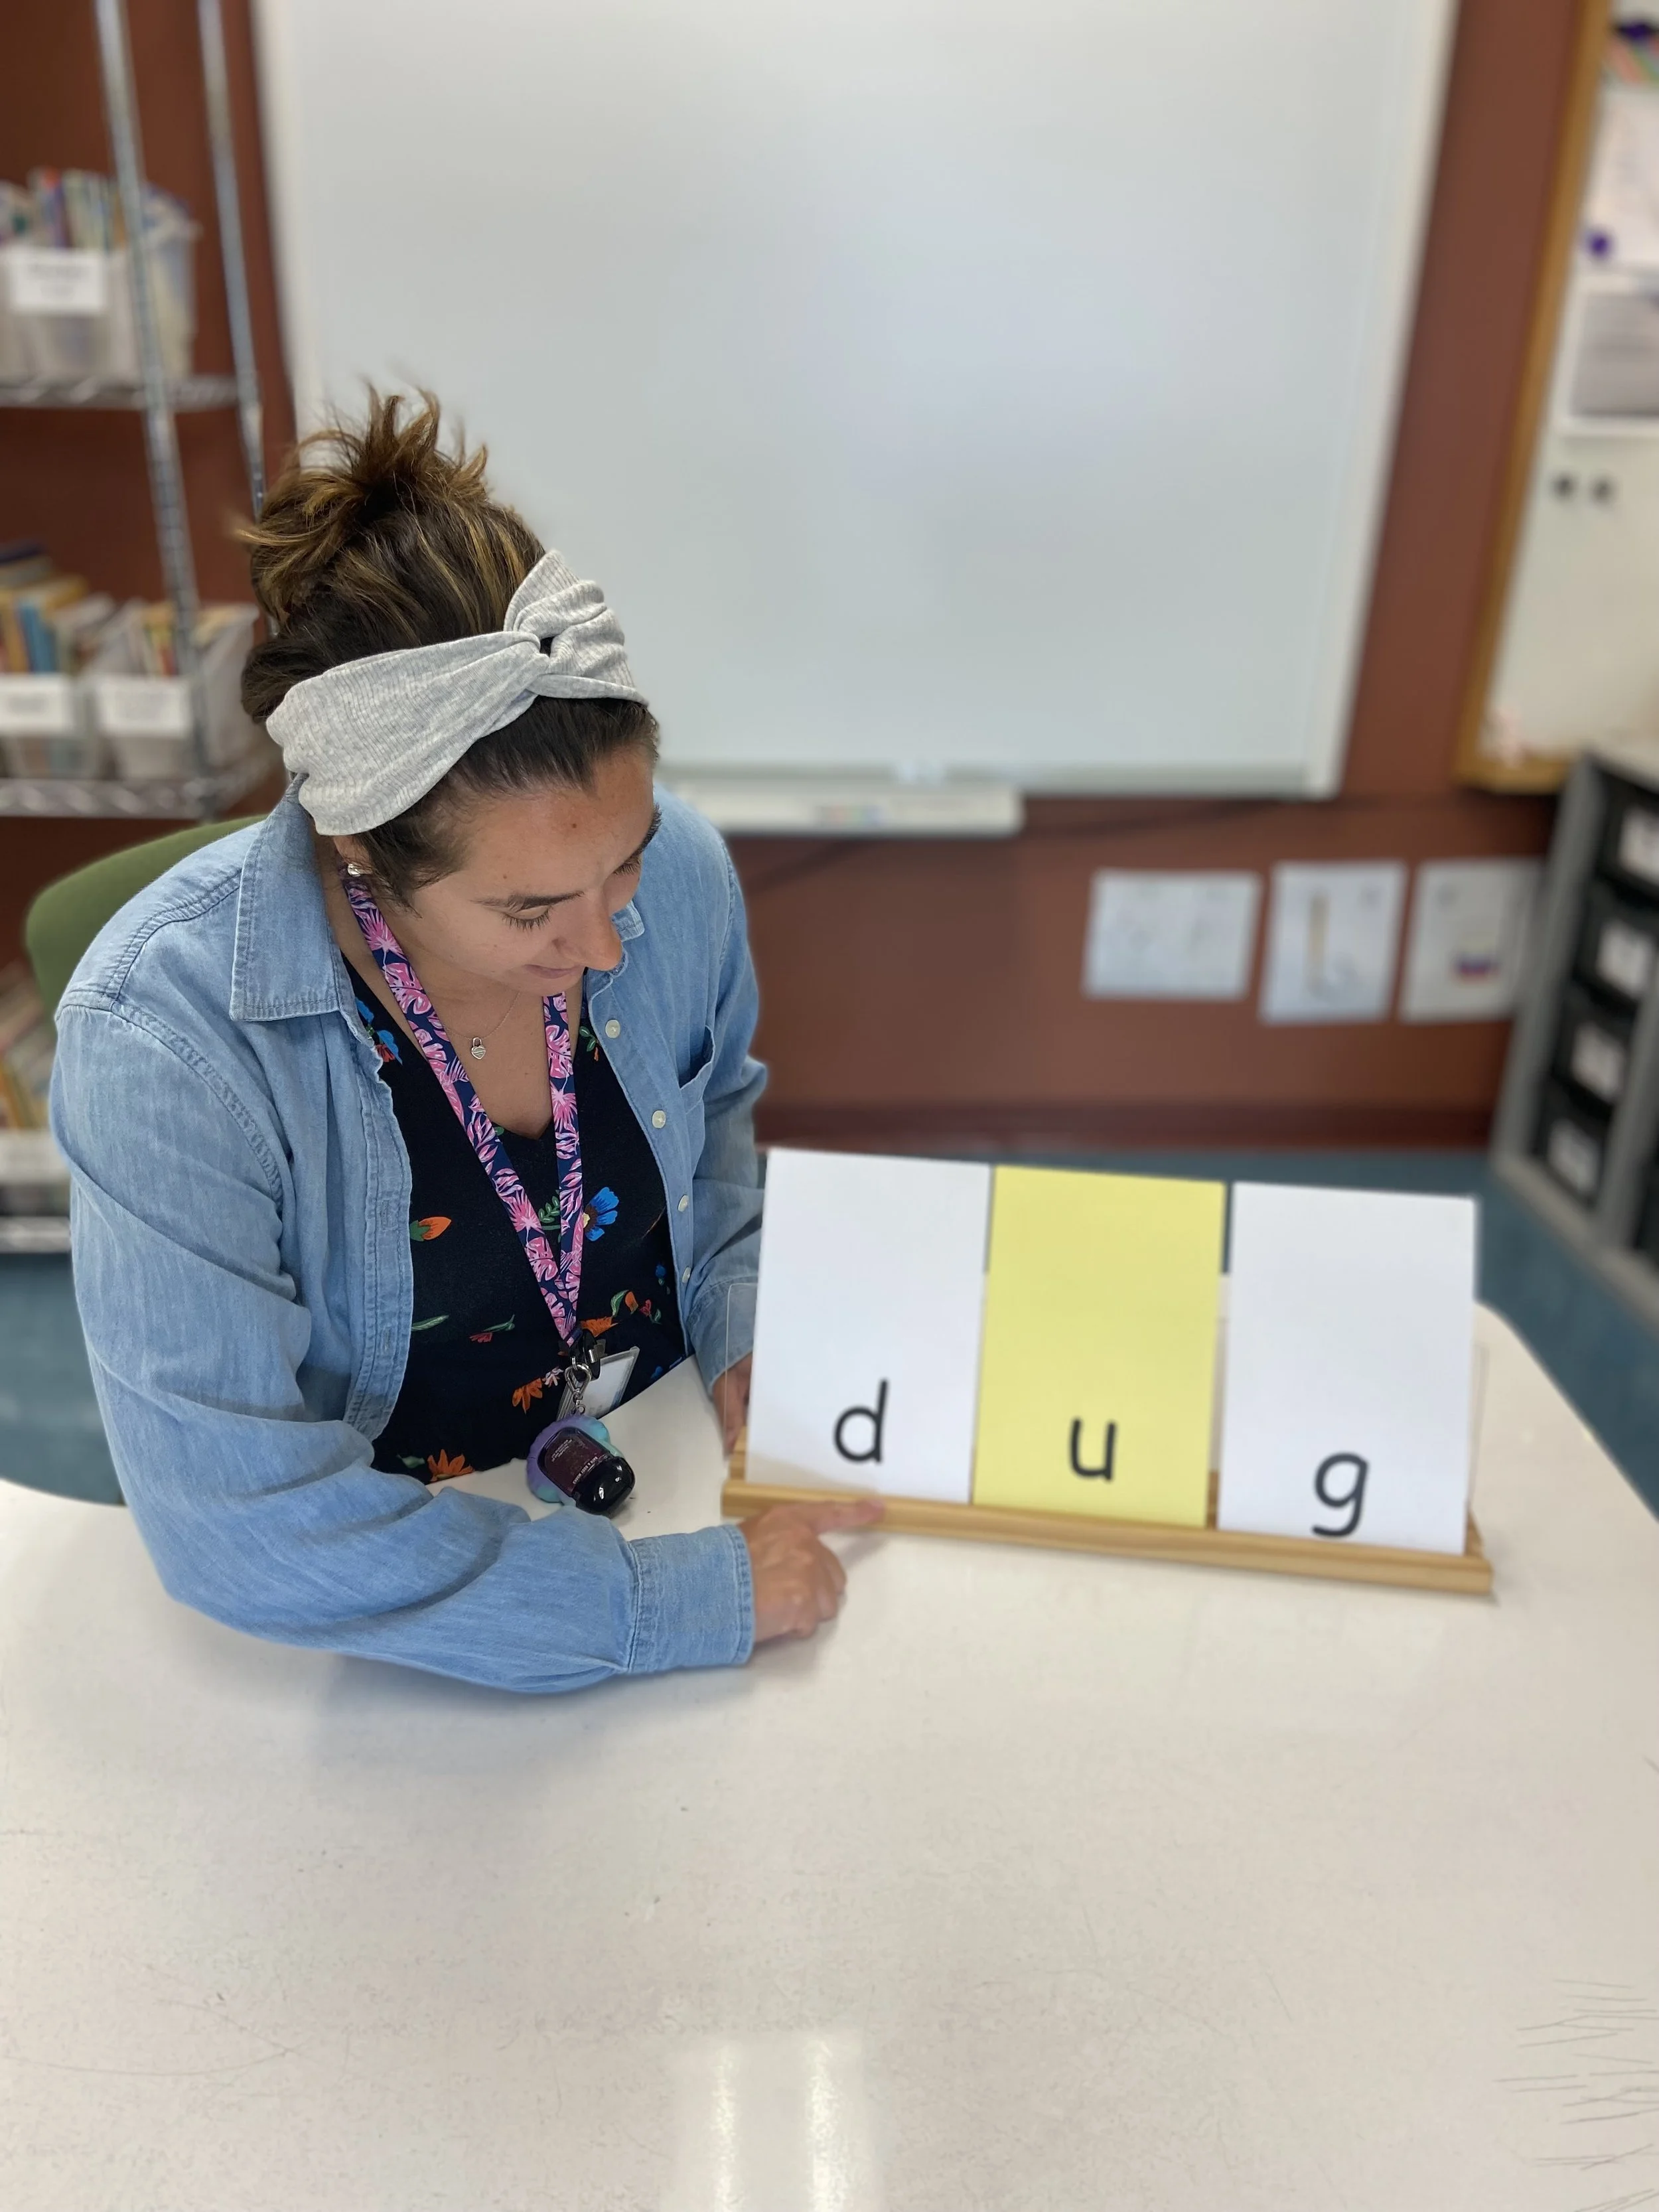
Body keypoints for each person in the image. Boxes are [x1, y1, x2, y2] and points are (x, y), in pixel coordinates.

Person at [50, 393, 879, 1692]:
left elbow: (715, 1128)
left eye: (625, 863)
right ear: (360, 852)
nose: (606, 944)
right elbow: (242, 1529)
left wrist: (745, 1324)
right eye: (528, 910)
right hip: (418, 1572)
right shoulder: (163, 1045)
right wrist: (671, 1601)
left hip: (659, 1448)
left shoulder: (686, 877)